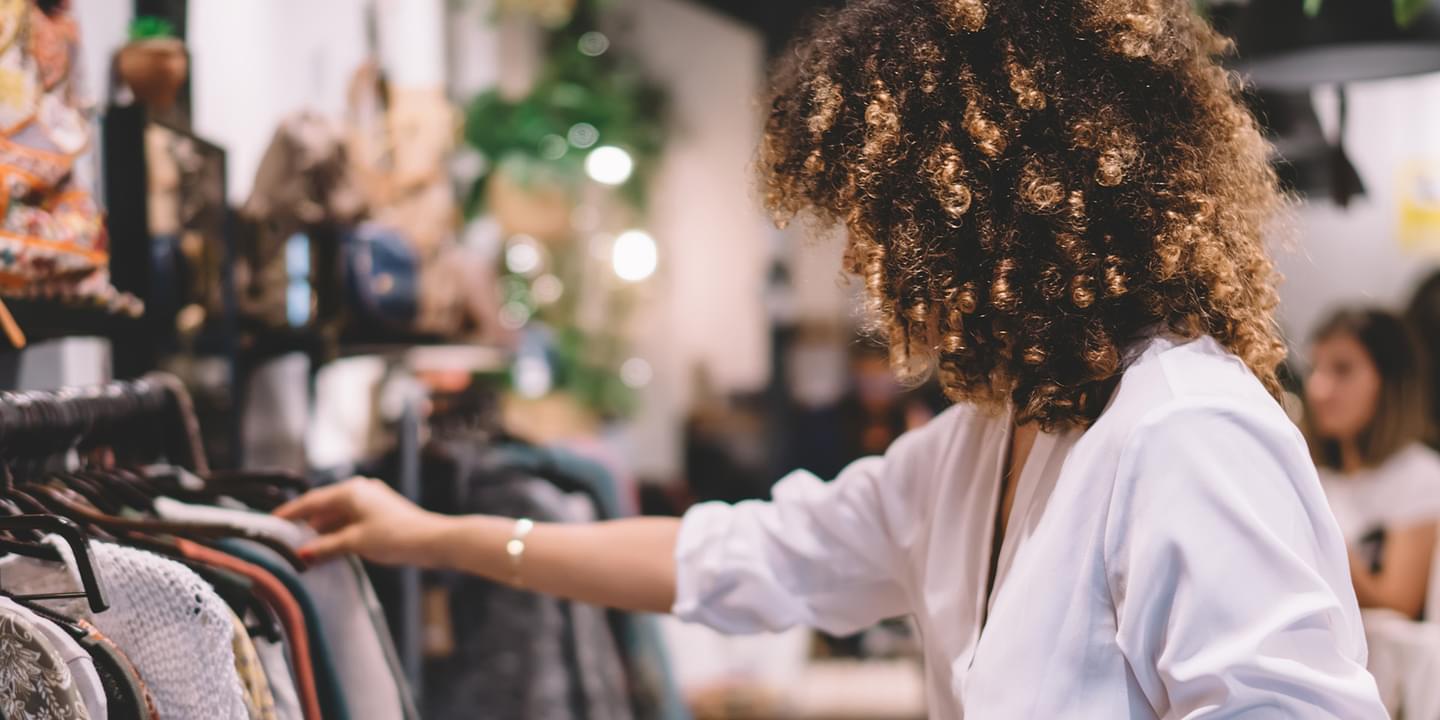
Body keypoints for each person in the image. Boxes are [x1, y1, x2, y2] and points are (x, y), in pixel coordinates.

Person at [276, 0, 1388, 716]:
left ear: (989, 214)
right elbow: (740, 557)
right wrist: (430, 535)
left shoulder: (1184, 432)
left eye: (887, 222)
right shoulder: (985, 443)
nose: (871, 267)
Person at [1306, 308, 1440, 620]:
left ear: (1389, 381)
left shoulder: (1421, 475)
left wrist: (1320, 536)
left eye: (1342, 369)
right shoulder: (1316, 476)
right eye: (1315, 368)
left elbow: (1398, 605)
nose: (1318, 389)